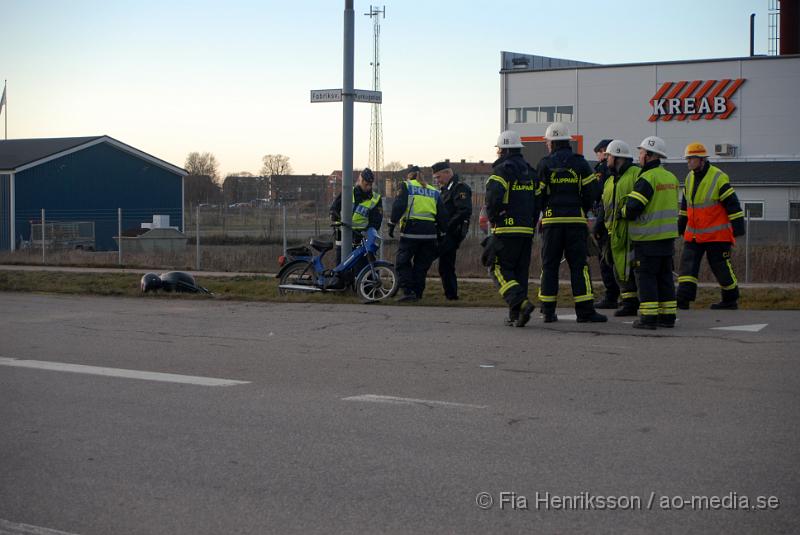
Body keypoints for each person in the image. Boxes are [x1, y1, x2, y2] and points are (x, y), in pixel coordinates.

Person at [536, 122, 607, 323]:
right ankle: (585, 311)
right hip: (575, 222)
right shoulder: (580, 163)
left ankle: (547, 311)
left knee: (549, 266)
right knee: (579, 266)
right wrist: (581, 208)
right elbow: (593, 192)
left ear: (551, 142)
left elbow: (538, 195)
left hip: (551, 223)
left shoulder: (544, 164)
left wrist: (544, 211)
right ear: (567, 141)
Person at [619, 136, 680, 330]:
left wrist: (622, 209)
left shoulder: (647, 178)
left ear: (649, 155)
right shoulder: (671, 177)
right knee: (665, 278)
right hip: (667, 239)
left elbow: (632, 208)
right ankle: (668, 316)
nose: (639, 156)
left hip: (647, 239)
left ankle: (648, 317)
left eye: (641, 153)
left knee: (646, 278)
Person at [676, 142, 745, 310]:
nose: (688, 162)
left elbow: (733, 205)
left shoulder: (718, 177)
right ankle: (682, 300)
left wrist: (738, 230)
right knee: (687, 267)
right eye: (688, 159)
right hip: (694, 234)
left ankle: (730, 300)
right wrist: (680, 228)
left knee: (720, 267)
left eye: (691, 158)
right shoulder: (689, 177)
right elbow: (685, 207)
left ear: (702, 159)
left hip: (717, 235)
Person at [485, 130, 539, 326]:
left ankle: (521, 303)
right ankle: (516, 315)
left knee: (497, 267)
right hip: (526, 231)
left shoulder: (501, 171)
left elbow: (493, 199)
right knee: (519, 272)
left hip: (506, 230)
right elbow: (538, 201)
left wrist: (494, 219)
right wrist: (531, 224)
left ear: (503, 150)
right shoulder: (530, 172)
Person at [594, 140, 640, 316]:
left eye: (609, 156)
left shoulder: (636, 175)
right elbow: (605, 207)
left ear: (618, 157)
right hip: (614, 234)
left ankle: (633, 303)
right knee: (619, 269)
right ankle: (628, 302)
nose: (606, 160)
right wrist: (599, 225)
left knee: (631, 270)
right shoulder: (610, 181)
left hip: (631, 233)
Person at [389, 166, 448, 302]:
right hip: (430, 234)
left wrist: (392, 224)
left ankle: (408, 292)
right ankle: (418, 293)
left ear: (409, 176)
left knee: (402, 262)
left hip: (411, 232)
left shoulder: (407, 186)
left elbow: (399, 206)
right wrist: (443, 232)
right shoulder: (434, 191)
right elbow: (442, 215)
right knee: (421, 266)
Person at [432, 161, 473, 300]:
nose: (437, 181)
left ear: (447, 173)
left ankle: (451, 295)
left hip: (452, 232)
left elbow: (463, 210)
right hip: (445, 232)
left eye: (438, 177)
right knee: (445, 265)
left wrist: (447, 226)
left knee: (444, 264)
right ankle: (451, 294)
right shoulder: (445, 190)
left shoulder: (459, 188)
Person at [329, 167, 383, 264]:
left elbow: (376, 221)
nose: (369, 187)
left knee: (363, 268)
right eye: (366, 184)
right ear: (360, 180)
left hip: (361, 238)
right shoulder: (348, 193)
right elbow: (334, 208)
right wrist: (335, 217)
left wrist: (367, 234)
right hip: (343, 235)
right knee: (342, 268)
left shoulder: (375, 198)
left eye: (370, 185)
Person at [591, 138, 621, 309]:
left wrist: (598, 223)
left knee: (606, 259)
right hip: (616, 222)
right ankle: (626, 294)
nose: (599, 157)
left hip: (606, 221)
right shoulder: (623, 170)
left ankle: (611, 296)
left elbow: (601, 197)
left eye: (599, 153)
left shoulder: (604, 170)